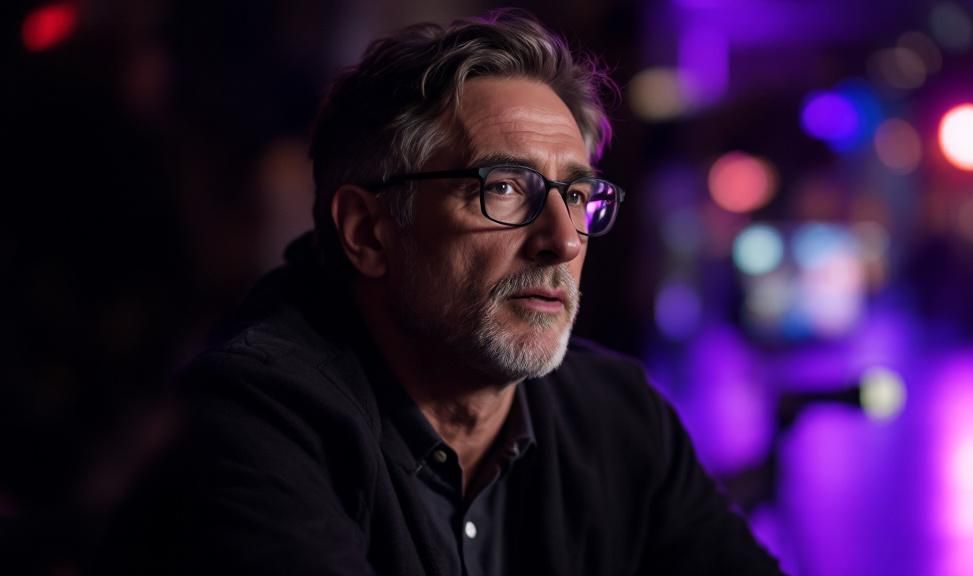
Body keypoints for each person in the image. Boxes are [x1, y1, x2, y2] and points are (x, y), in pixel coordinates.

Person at [98, 10, 780, 576]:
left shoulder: (618, 414)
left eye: (576, 195)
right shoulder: (255, 421)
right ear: (367, 232)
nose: (564, 241)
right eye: (503, 188)